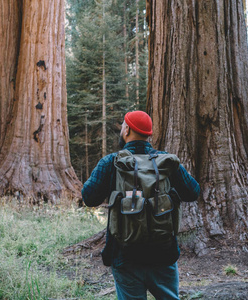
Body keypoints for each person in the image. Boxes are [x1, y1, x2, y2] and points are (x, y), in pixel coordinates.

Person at [82, 110, 200, 300]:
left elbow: (89, 197)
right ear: (148, 135)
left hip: (125, 256)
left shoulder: (111, 162)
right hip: (163, 254)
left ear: (127, 130)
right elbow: (193, 192)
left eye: (122, 126)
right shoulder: (166, 162)